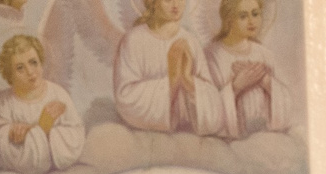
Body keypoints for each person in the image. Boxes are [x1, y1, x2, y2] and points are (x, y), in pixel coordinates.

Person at [113, 0, 224, 135]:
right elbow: (125, 98)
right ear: (153, 3)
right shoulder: (134, 40)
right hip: (145, 135)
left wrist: (188, 81)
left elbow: (214, 110)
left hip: (187, 136)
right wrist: (173, 81)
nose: (176, 4)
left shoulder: (190, 42)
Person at [0, 35, 85, 174]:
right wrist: (12, 133)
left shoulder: (57, 94)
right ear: (10, 74)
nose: (30, 72)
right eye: (20, 68)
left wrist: (43, 132)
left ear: (41, 62)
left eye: (33, 62)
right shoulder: (2, 103)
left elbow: (76, 134)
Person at [206, 0, 284, 137]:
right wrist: (235, 87)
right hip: (228, 142)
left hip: (264, 137)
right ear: (229, 19)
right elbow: (207, 110)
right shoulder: (212, 56)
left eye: (255, 14)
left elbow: (286, 106)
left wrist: (265, 81)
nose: (251, 21)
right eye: (243, 16)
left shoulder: (264, 54)